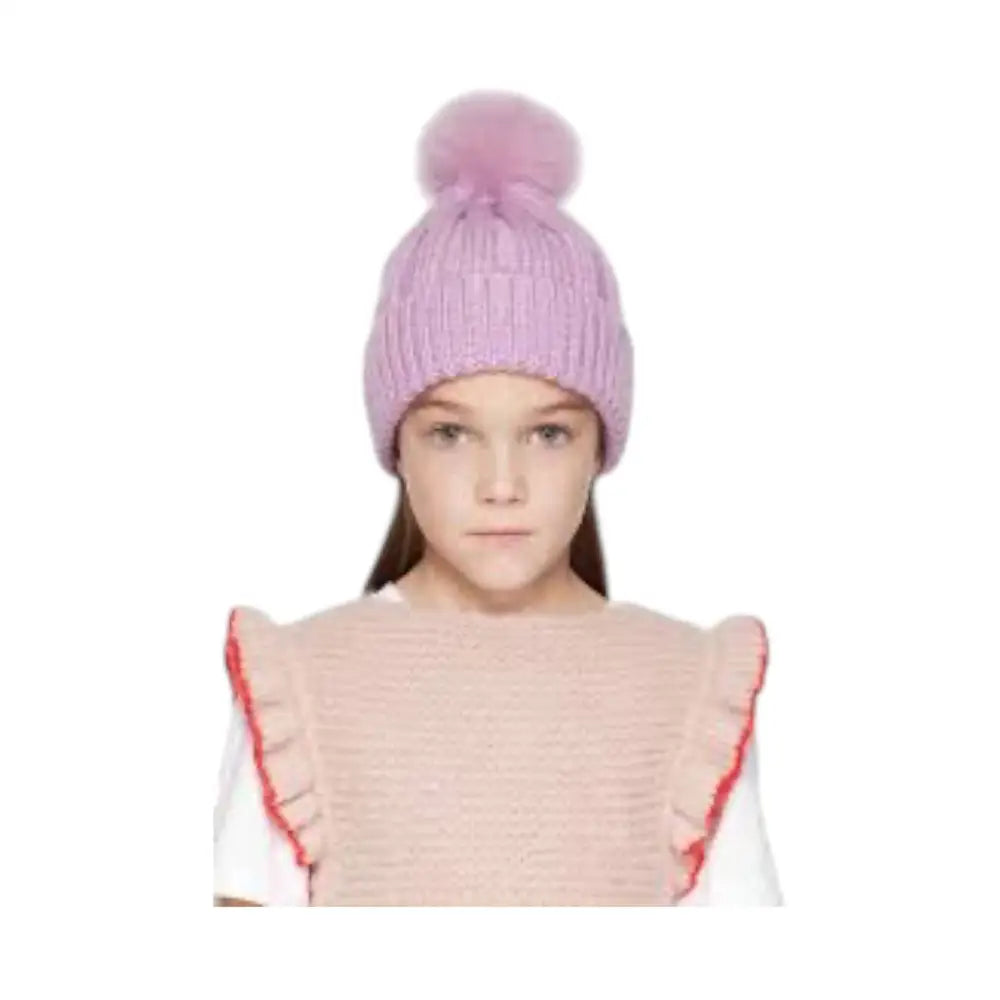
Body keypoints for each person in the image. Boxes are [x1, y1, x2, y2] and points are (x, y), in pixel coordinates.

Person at [213, 89, 783, 906]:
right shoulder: (303, 686)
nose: (502, 485)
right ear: (397, 445)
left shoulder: (685, 689)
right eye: (452, 433)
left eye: (548, 433)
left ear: (600, 445)